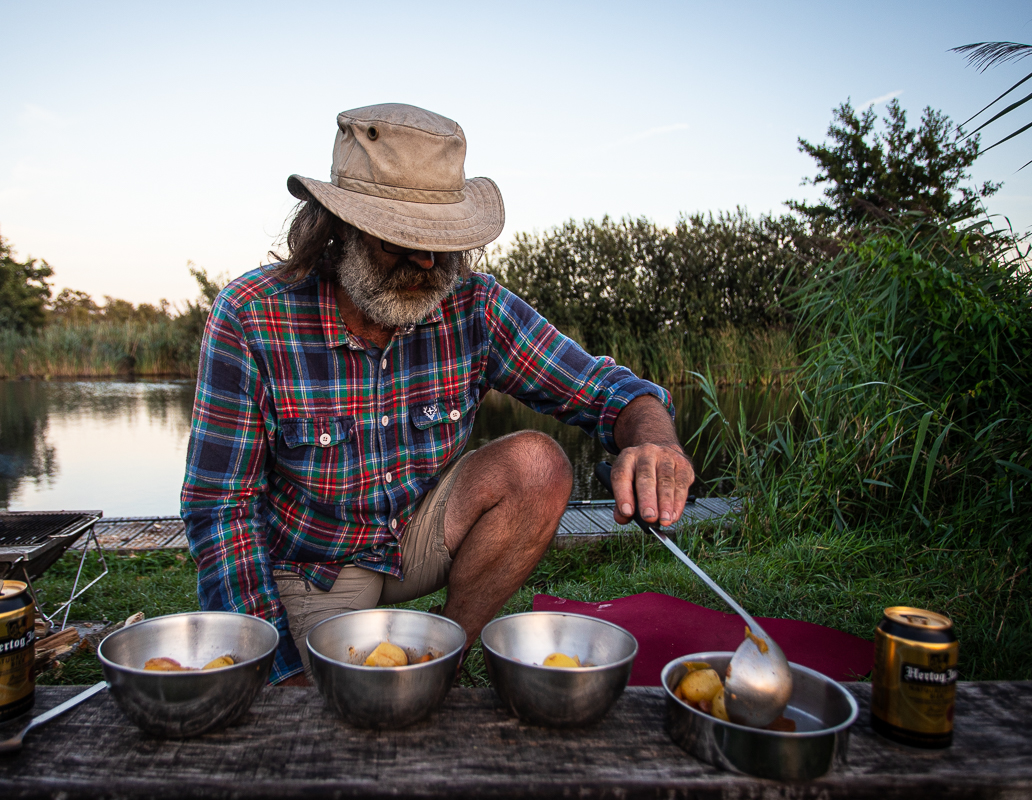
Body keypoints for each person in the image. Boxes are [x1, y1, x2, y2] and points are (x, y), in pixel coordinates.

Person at [181, 103, 694, 685]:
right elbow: (220, 510)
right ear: (339, 228)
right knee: (316, 700)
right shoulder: (251, 316)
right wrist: (276, 673)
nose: (426, 263)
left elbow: (609, 391)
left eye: (440, 243)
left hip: (418, 533)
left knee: (537, 465)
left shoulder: (474, 305)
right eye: (398, 241)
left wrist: (654, 443)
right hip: (311, 564)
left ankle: (443, 659)